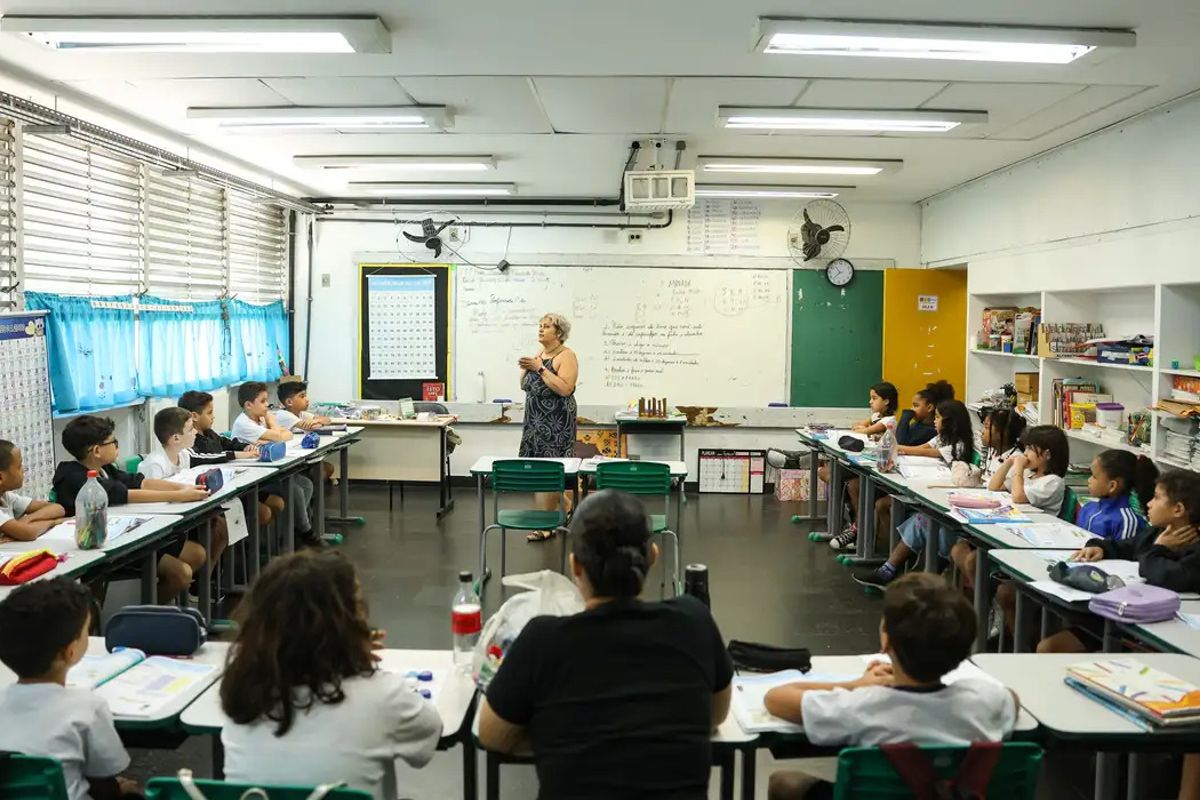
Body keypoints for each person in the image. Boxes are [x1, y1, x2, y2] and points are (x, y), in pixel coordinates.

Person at [479, 490, 733, 800]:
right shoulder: (694, 623)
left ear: (575, 566)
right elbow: (716, 715)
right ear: (653, 555)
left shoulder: (542, 640)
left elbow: (492, 736)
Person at [763, 573, 1017, 800]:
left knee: (784, 783)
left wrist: (856, 684)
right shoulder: (987, 700)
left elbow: (776, 698)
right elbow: (1013, 700)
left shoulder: (862, 705)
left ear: (886, 643)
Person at [220, 550, 441, 800]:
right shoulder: (381, 695)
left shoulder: (242, 694)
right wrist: (355, 661)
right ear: (344, 624)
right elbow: (429, 732)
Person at [0, 579, 138, 800]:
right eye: (86, 632)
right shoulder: (87, 708)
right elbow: (103, 783)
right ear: (70, 652)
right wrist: (120, 790)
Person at [1039, 470, 1200, 654]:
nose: (1148, 504)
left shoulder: (1194, 547)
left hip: (1163, 631)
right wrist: (1100, 547)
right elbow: (1125, 546)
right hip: (1123, 617)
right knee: (1049, 647)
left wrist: (1158, 548)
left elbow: (1164, 575)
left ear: (1178, 509)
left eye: (1156, 498)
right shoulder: (1157, 532)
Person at [53, 415, 208, 603]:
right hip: (95, 551)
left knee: (196, 554)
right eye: (113, 442)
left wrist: (183, 488)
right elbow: (127, 494)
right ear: (96, 450)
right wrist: (178, 496)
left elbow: (141, 482)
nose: (117, 446)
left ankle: (159, 613)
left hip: (120, 539)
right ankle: (139, 619)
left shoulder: (106, 469)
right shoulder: (74, 476)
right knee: (181, 573)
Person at [852, 400, 975, 590]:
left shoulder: (958, 445)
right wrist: (897, 448)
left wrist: (897, 448)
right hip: (938, 493)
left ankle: (892, 569)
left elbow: (925, 453)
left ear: (950, 422)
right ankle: (892, 567)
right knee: (917, 516)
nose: (934, 421)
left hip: (951, 505)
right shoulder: (942, 437)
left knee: (922, 520)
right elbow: (925, 448)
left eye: (938, 418)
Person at [232, 382, 320, 548]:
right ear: (249, 405)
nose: (268, 406)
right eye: (263, 401)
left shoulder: (259, 419)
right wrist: (273, 426)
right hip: (251, 477)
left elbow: (286, 435)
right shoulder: (244, 423)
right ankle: (306, 532)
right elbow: (281, 437)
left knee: (305, 484)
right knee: (293, 489)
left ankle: (293, 530)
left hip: (266, 470)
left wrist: (274, 434)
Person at [139, 406, 229, 569]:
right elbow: (153, 504)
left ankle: (204, 583)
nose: (195, 432)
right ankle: (195, 587)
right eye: (190, 429)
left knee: (221, 527)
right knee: (209, 536)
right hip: (162, 526)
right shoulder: (155, 464)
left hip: (185, 514)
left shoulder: (184, 454)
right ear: (175, 438)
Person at [950, 406, 1028, 591]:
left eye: (987, 428)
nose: (982, 432)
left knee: (971, 559)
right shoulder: (995, 453)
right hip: (985, 512)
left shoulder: (1016, 459)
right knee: (957, 550)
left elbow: (996, 487)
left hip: (1003, 522)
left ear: (1003, 434)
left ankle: (986, 602)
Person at [517, 313, 579, 542]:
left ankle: (546, 525)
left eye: (547, 327)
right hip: (534, 421)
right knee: (536, 470)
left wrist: (540, 369)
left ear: (559, 333)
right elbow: (526, 386)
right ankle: (568, 506)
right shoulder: (539, 355)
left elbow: (565, 389)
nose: (541, 330)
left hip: (556, 422)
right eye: (540, 326)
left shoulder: (567, 355)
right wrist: (526, 370)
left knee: (549, 471)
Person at [178, 390, 275, 530]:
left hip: (228, 485)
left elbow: (227, 443)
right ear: (194, 416)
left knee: (269, 506)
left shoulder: (209, 433)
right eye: (210, 413)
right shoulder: (190, 442)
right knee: (261, 513)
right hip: (213, 494)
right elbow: (204, 458)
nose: (214, 417)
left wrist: (247, 447)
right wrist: (235, 454)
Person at [824, 381, 900, 550]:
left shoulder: (889, 420)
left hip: (881, 465)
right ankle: (856, 526)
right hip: (871, 459)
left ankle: (858, 529)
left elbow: (862, 431)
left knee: (849, 482)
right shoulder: (876, 417)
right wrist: (862, 427)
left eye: (874, 398)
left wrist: (862, 428)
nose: (870, 402)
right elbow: (858, 425)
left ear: (887, 401)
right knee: (840, 478)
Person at [988, 425, 1069, 515]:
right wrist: (1008, 462)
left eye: (1030, 449)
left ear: (1047, 454)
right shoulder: (1029, 473)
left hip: (1039, 524)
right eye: (1025, 448)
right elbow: (993, 487)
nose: (1025, 453)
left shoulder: (1053, 482)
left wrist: (1019, 469)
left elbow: (1018, 497)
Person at [1076, 450, 1157, 540]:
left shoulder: (1126, 521)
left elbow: (1123, 553)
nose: (1089, 480)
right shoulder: (1088, 508)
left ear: (1112, 486)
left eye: (1094, 477)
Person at [0, 439, 67, 542]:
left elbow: (58, 508)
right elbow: (28, 533)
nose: (23, 470)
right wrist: (53, 522)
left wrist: (26, 520)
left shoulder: (6, 497)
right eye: (19, 466)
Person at [276, 379, 336, 482]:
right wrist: (314, 422)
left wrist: (316, 421)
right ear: (289, 402)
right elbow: (307, 426)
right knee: (321, 471)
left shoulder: (301, 414)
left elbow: (327, 420)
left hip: (301, 454)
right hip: (288, 458)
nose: (307, 400)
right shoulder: (283, 415)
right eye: (302, 396)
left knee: (329, 468)